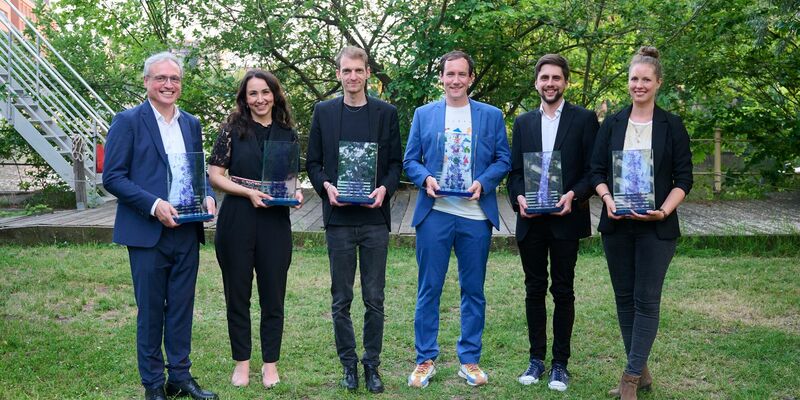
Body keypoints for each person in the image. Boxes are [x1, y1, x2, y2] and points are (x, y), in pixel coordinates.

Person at [103, 52, 218, 400]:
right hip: (147, 233)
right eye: (161, 78)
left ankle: (179, 377)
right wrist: (154, 206)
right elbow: (113, 177)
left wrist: (208, 194)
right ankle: (153, 384)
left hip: (186, 229)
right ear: (146, 82)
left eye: (175, 79)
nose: (169, 84)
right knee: (151, 311)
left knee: (182, 307)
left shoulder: (191, 124)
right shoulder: (127, 121)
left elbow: (198, 172)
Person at [590, 46, 693, 400]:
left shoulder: (672, 126)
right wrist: (608, 199)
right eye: (634, 78)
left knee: (646, 300)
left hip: (657, 227)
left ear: (658, 83)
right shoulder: (613, 123)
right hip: (617, 225)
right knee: (624, 299)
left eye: (646, 79)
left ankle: (630, 379)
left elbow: (684, 179)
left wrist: (663, 210)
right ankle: (642, 371)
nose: (639, 85)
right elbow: (596, 171)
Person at [404, 50, 511, 388]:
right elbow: (410, 160)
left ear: (471, 78)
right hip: (435, 214)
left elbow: (503, 159)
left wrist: (484, 182)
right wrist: (425, 179)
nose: (455, 80)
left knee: (473, 290)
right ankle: (425, 360)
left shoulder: (491, 116)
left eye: (462, 74)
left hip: (475, 216)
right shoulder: (424, 114)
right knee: (429, 288)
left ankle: (469, 360)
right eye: (449, 74)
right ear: (441, 77)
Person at [305, 46, 402, 394]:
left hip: (374, 219)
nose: (353, 76)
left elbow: (396, 164)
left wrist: (385, 189)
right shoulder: (324, 112)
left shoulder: (386, 113)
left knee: (375, 298)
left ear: (368, 73)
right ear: (338, 74)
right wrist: (326, 187)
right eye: (346, 71)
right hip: (340, 220)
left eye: (359, 70)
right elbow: (312, 163)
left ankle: (372, 365)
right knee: (341, 299)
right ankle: (349, 365)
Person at [507, 54, 599, 392]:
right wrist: (519, 198)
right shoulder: (523, 123)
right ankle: (536, 359)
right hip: (531, 220)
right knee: (533, 289)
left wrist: (574, 195)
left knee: (563, 290)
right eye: (544, 78)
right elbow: (515, 174)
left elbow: (593, 171)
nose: (550, 83)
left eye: (556, 78)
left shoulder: (584, 119)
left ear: (565, 82)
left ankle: (560, 364)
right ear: (536, 83)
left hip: (565, 219)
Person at [208, 69, 302, 389]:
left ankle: (270, 365)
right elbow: (215, 176)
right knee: (237, 295)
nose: (260, 99)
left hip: (275, 222)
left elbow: (290, 180)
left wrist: (296, 194)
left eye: (265, 92)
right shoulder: (232, 129)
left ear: (274, 95)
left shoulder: (287, 132)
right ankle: (242, 363)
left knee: (273, 296)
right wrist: (248, 192)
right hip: (237, 218)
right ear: (244, 99)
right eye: (253, 93)